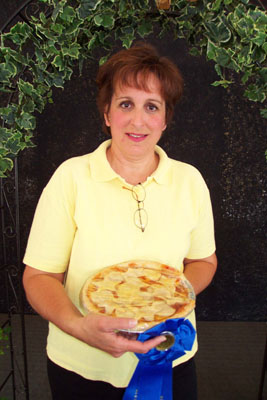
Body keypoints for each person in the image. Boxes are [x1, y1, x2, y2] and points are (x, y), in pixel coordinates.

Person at [23, 42, 217, 400]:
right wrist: (81, 328)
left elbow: (203, 261)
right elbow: (39, 276)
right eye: (125, 103)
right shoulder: (72, 178)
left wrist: (168, 300)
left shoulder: (190, 181)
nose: (138, 120)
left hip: (169, 354)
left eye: (152, 106)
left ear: (165, 118)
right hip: (82, 366)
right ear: (107, 113)